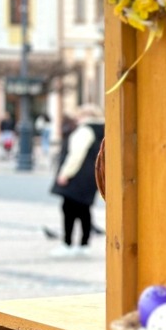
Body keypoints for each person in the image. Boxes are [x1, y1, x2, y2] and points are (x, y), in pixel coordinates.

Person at [49, 104, 105, 258]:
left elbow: (76, 155)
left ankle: (67, 243)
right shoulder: (101, 130)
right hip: (90, 176)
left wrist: (65, 174)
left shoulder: (84, 130)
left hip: (77, 177)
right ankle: (84, 244)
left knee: (68, 209)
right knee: (84, 210)